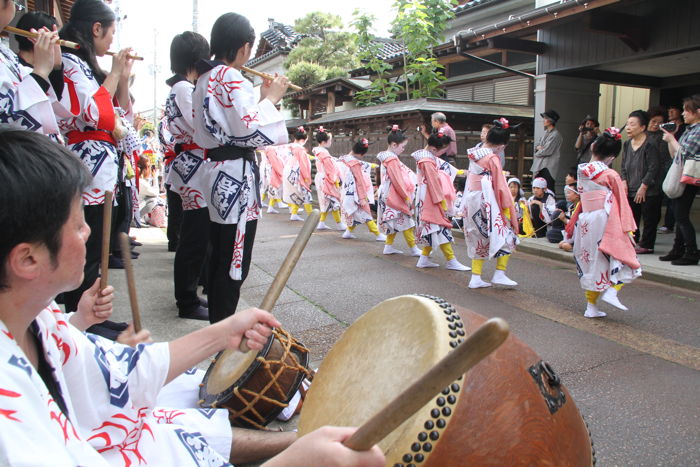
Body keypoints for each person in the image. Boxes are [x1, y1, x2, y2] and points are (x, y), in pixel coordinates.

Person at [0, 129, 384, 467]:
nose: (88, 232)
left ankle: (295, 440)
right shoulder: (10, 427)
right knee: (168, 421)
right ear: (28, 258)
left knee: (169, 422)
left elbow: (120, 374)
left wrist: (224, 332)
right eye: (78, 222)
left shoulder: (37, 319)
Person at [192, 13, 289, 324]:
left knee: (218, 247)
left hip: (216, 170)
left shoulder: (205, 78)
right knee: (233, 258)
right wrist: (272, 99)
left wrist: (260, 99)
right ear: (245, 47)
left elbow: (235, 122)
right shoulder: (232, 77)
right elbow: (248, 132)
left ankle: (218, 322)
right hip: (235, 174)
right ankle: (223, 328)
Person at [57, 0, 134, 314]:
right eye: (110, 33)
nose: (112, 42)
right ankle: (83, 317)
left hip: (102, 167)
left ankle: (91, 317)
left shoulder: (87, 67)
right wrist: (114, 73)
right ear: (96, 28)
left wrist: (123, 78)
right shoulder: (69, 61)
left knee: (99, 247)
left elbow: (122, 118)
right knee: (87, 248)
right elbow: (95, 112)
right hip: (87, 163)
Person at [566, 128, 641, 318]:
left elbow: (582, 200)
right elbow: (622, 203)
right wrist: (628, 228)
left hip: (586, 220)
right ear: (613, 156)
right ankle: (612, 291)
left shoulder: (581, 170)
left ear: (592, 147)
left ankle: (591, 307)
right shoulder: (611, 175)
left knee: (591, 262)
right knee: (625, 258)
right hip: (606, 220)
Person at [164, 31, 212, 321]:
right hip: (193, 167)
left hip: (192, 164)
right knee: (194, 237)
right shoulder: (183, 88)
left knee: (195, 235)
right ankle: (187, 300)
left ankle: (190, 295)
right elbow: (201, 124)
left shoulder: (180, 86)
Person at [462, 118, 520, 288]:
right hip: (487, 201)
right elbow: (501, 187)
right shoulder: (492, 158)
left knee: (476, 237)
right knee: (506, 234)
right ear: (501, 145)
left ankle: (476, 277)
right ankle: (500, 273)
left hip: (472, 198)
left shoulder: (475, 154)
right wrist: (508, 208)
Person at [0, 2, 64, 136]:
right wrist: (40, 71)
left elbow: (52, 108)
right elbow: (6, 117)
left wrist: (55, 67)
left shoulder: (7, 54)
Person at [412, 131, 469, 271]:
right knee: (440, 227)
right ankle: (451, 260)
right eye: (443, 149)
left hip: (426, 198)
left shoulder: (426, 157)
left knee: (433, 229)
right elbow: (434, 183)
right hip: (431, 199)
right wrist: (441, 201)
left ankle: (424, 259)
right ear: (434, 149)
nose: (444, 152)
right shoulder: (427, 160)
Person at [660, 95, 700, 266]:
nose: (683, 113)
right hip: (682, 176)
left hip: (689, 178)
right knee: (678, 214)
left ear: (697, 112)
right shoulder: (690, 129)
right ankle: (679, 249)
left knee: (681, 215)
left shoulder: (698, 130)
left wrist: (672, 139)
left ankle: (691, 252)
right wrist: (671, 138)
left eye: (686, 110)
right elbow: (675, 154)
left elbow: (684, 154)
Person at [620, 110, 662, 254]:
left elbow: (654, 167)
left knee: (649, 218)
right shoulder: (626, 144)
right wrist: (624, 181)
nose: (628, 127)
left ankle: (647, 245)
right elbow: (623, 165)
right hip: (630, 187)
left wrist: (644, 186)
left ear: (642, 127)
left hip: (648, 190)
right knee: (632, 217)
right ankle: (633, 241)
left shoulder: (651, 144)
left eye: (632, 124)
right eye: (627, 124)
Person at [376, 125, 422, 257]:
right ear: (394, 144)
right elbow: (397, 180)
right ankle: (413, 248)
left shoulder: (386, 157)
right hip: (394, 194)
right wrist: (406, 197)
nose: (403, 149)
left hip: (387, 192)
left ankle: (388, 246)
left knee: (394, 220)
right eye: (402, 146)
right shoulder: (391, 159)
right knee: (405, 220)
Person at [338, 138, 386, 241]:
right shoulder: (355, 164)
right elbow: (359, 182)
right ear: (362, 154)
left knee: (354, 213)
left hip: (346, 192)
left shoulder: (344, 159)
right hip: (355, 194)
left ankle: (348, 231)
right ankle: (377, 234)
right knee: (365, 213)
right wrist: (362, 197)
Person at [647, 107, 675, 234]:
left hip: (657, 177)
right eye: (653, 121)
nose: (656, 125)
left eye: (659, 123)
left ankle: (649, 235)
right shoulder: (641, 136)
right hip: (640, 176)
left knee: (654, 207)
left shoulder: (663, 138)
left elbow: (665, 158)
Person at [312, 126, 346, 231]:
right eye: (330, 140)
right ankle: (339, 223)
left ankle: (322, 222)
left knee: (326, 201)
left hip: (321, 177)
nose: (331, 142)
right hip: (326, 178)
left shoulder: (318, 152)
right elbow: (330, 169)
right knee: (333, 200)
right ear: (324, 141)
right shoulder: (324, 153)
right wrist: (335, 179)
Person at [282, 126, 314, 221]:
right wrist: (307, 178)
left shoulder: (289, 146)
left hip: (287, 170)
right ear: (305, 139)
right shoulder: (300, 149)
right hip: (297, 173)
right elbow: (304, 165)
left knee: (294, 193)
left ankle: (294, 213)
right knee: (305, 193)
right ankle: (311, 216)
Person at [532, 109, 562, 193]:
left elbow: (547, 151)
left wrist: (540, 149)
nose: (544, 120)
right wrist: (539, 148)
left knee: (548, 188)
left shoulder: (556, 135)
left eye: (545, 118)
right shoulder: (545, 132)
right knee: (537, 187)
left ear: (551, 121)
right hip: (540, 165)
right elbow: (536, 146)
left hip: (549, 166)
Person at [137, 157, 166, 227]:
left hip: (135, 207)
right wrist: (155, 178)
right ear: (145, 168)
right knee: (154, 200)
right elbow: (155, 193)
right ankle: (137, 218)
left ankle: (139, 218)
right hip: (135, 210)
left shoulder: (139, 180)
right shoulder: (141, 182)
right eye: (149, 166)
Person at [262, 145, 288, 214]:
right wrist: (280, 172)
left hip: (270, 168)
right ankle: (279, 202)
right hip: (272, 169)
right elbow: (274, 162)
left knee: (272, 187)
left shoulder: (270, 148)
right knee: (274, 186)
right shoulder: (271, 149)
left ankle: (271, 207)